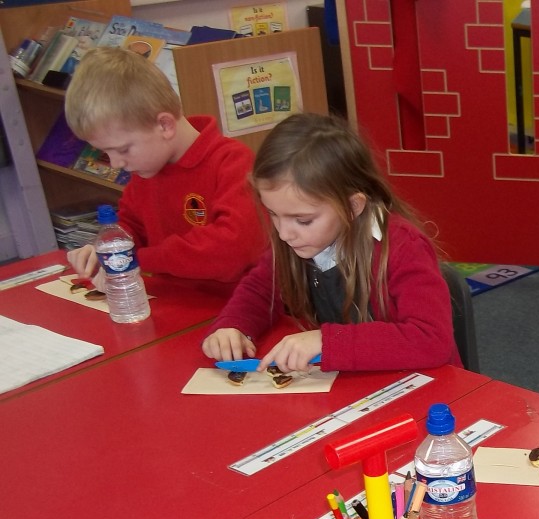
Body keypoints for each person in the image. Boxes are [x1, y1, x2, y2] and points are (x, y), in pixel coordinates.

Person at [201, 113, 459, 373]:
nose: (284, 234)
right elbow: (259, 290)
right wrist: (233, 326)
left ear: (353, 207)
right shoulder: (300, 240)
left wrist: (327, 342)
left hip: (425, 384)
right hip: (355, 384)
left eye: (303, 220)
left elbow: (431, 340)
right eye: (273, 214)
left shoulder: (404, 247)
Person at [63, 47, 263, 287]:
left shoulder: (232, 162)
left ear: (165, 125)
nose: (116, 164)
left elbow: (231, 250)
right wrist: (108, 249)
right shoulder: (146, 168)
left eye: (123, 150)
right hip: (168, 298)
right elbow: (131, 226)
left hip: (233, 303)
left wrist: (137, 259)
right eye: (106, 153)